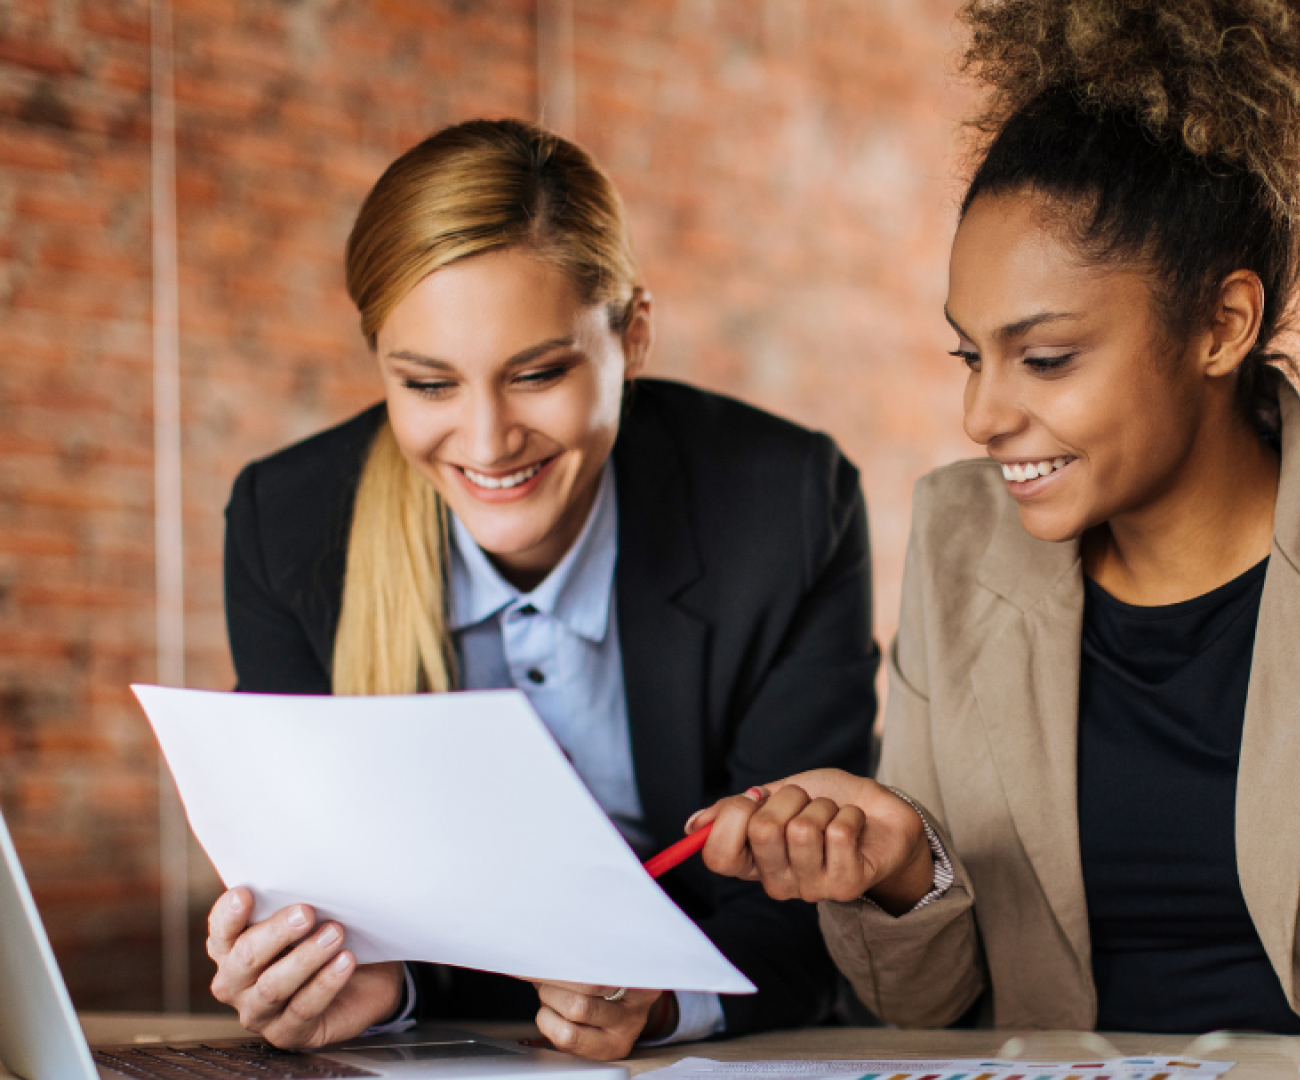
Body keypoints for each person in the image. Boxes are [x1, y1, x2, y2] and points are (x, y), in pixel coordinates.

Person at [686, 0, 1300, 1035]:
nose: (982, 415)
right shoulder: (960, 537)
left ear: (1222, 325)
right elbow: (918, 1012)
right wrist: (904, 876)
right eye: (969, 356)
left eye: (1045, 358)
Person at [205, 120, 878, 1058]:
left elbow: (811, 907)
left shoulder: (786, 508)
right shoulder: (287, 525)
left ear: (633, 337)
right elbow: (332, 899)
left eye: (538, 373)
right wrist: (346, 978)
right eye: (429, 385)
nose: (484, 443)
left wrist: (663, 1003)